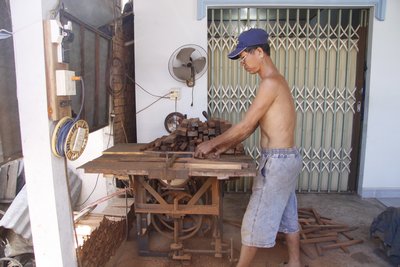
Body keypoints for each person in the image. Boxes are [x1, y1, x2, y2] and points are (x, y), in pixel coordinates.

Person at [194, 28, 303, 267]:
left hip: (277, 162)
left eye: (244, 56)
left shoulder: (270, 83)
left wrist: (210, 143)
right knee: (288, 214)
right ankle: (294, 263)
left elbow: (245, 126)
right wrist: (222, 148)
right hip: (289, 158)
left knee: (254, 221)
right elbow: (253, 128)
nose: (242, 62)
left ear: (260, 52)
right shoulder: (277, 81)